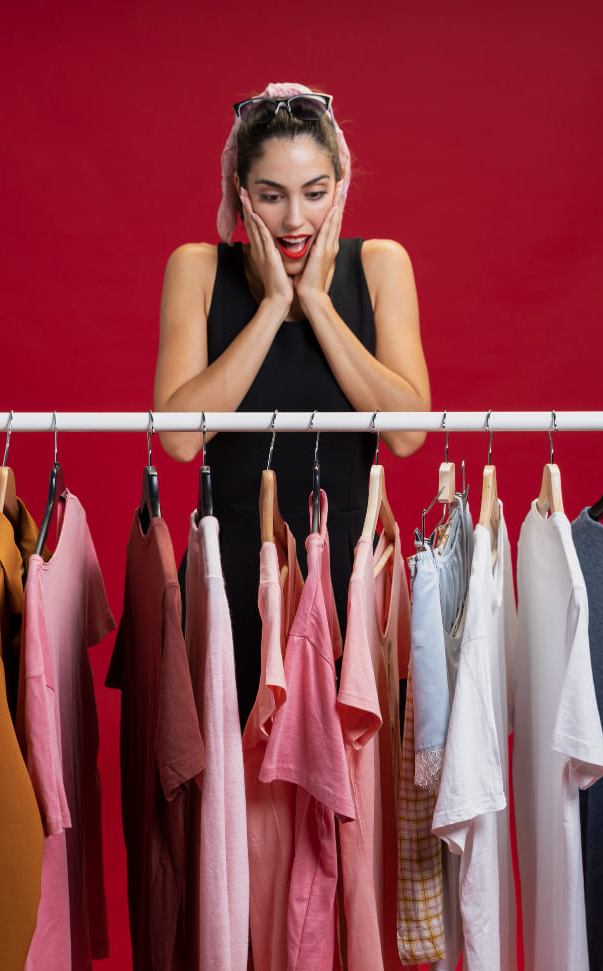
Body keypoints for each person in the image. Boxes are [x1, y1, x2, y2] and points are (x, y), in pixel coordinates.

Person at [154, 82, 431, 726]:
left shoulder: (381, 265)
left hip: (346, 575)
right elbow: (179, 439)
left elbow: (409, 433)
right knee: (233, 773)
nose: (294, 220)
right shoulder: (197, 269)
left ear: (341, 191)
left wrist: (317, 304)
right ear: (240, 194)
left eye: (314, 193)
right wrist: (273, 305)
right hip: (231, 576)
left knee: (347, 777)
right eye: (272, 196)